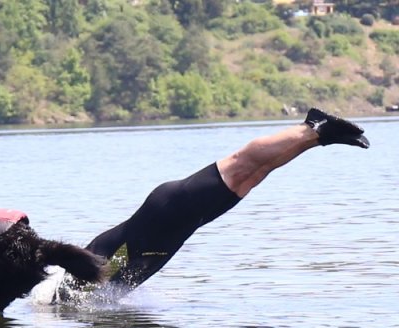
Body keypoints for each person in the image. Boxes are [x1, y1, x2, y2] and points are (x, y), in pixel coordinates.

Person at [56, 108, 369, 299]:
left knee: (239, 165)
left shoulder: (93, 268)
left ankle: (312, 126)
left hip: (172, 208)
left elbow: (88, 264)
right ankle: (319, 137)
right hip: (186, 220)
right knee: (254, 175)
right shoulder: (110, 283)